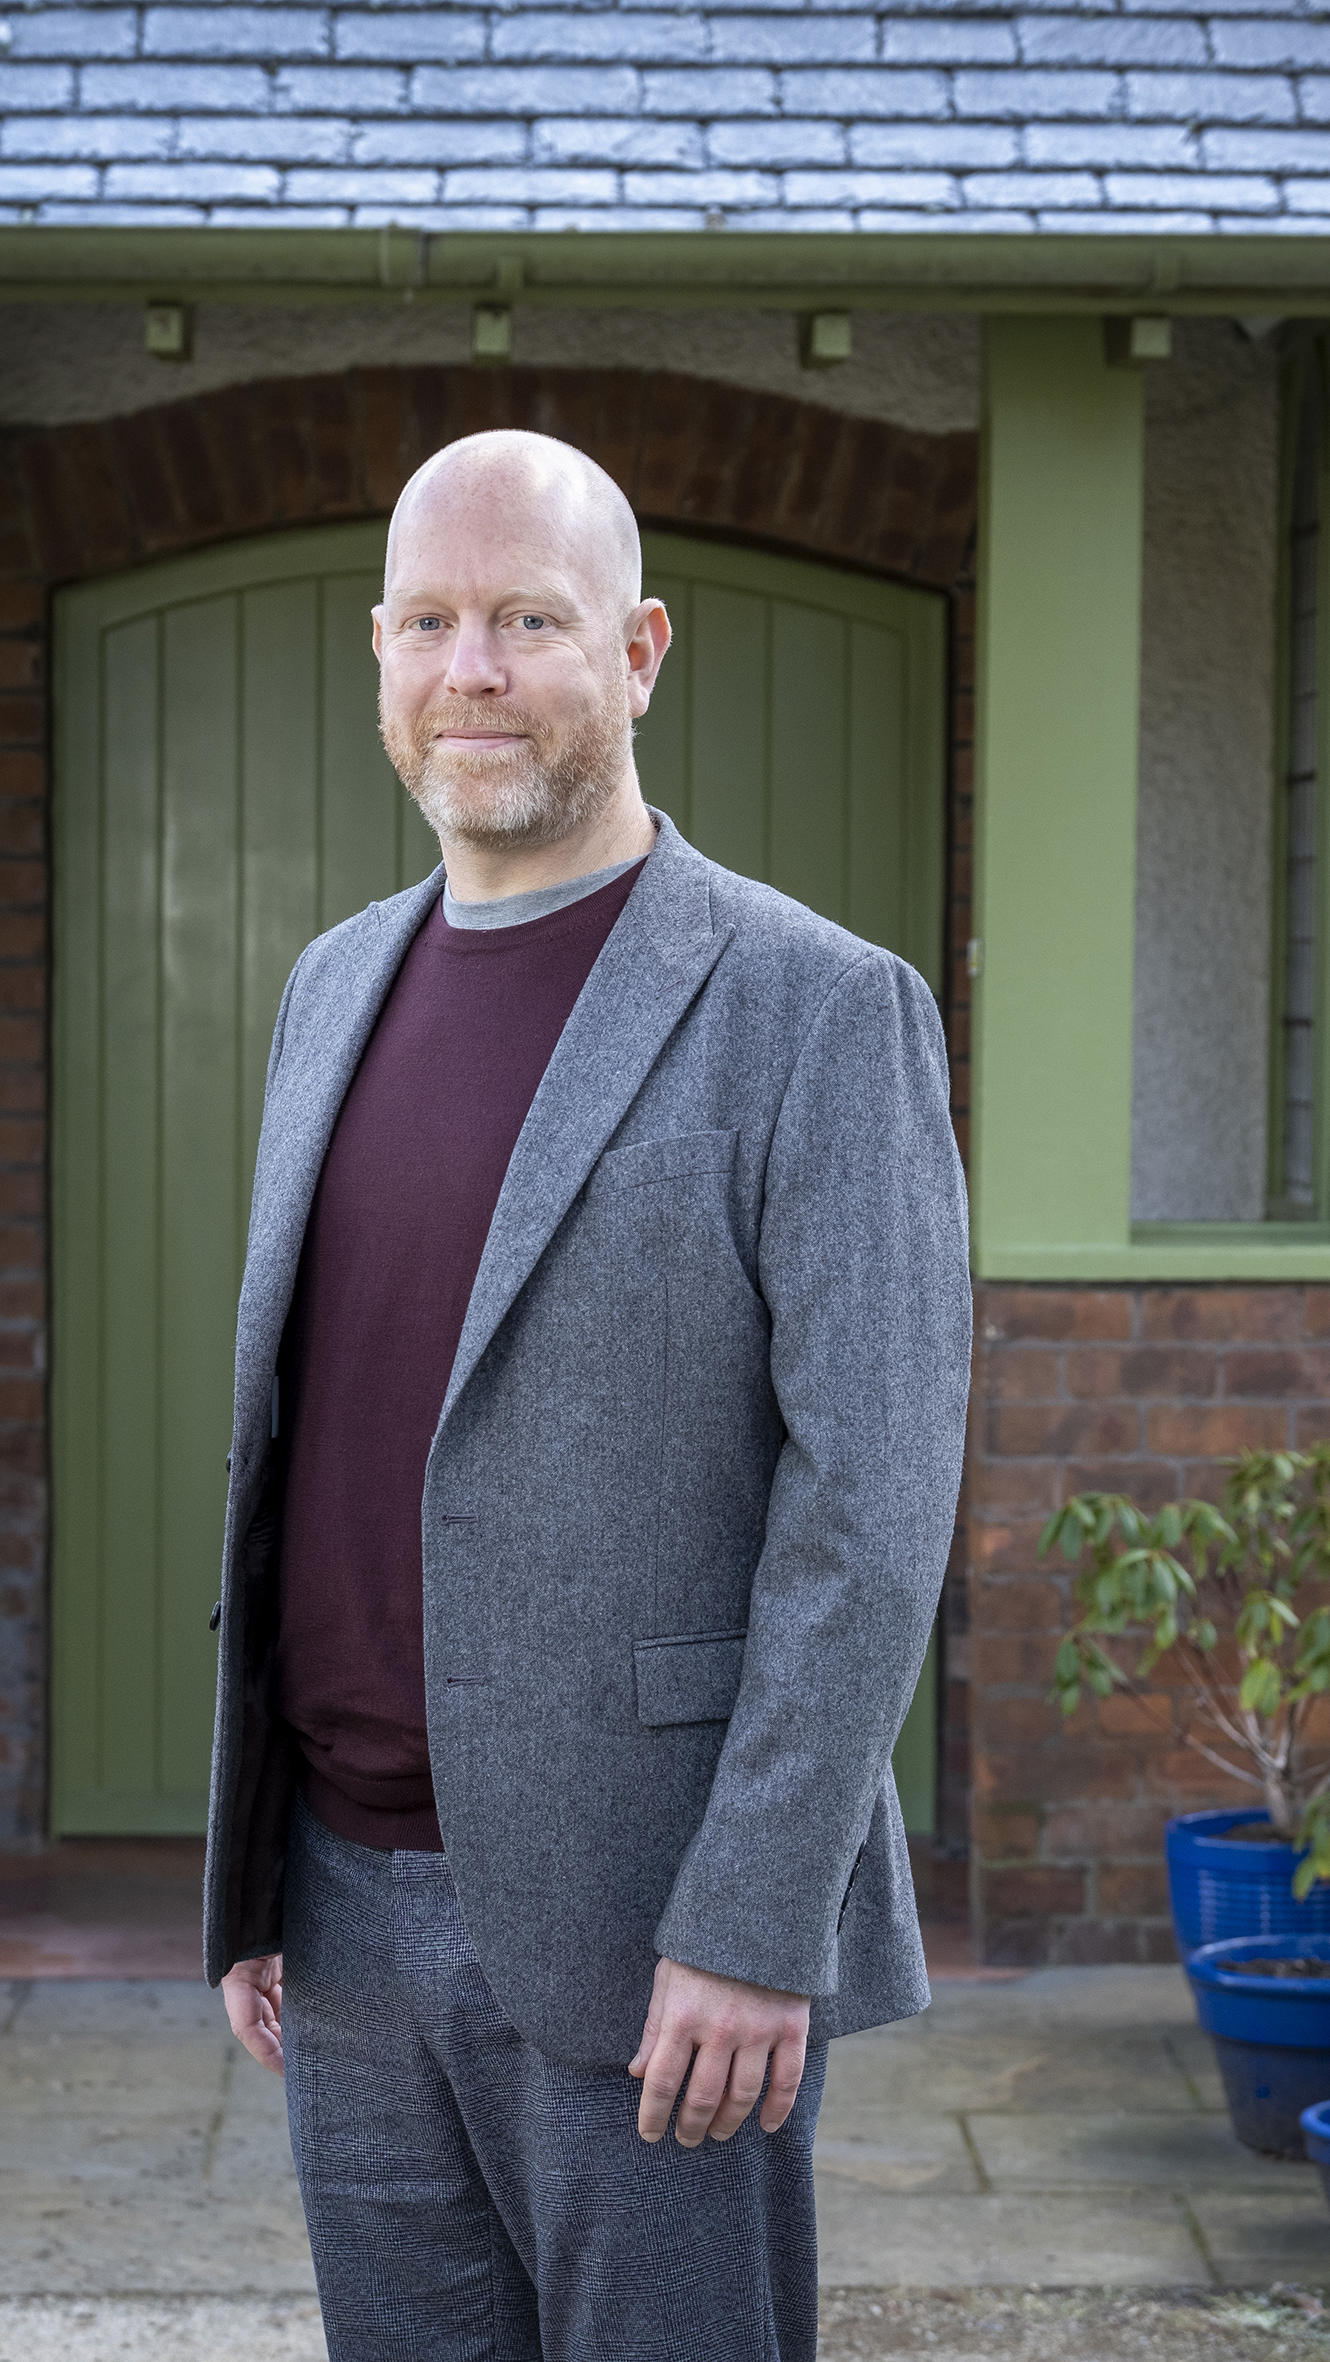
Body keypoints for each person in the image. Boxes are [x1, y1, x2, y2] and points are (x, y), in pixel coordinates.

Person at [203, 428, 971, 2361]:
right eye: (431, 623)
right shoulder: (328, 990)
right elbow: (313, 1442)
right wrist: (258, 1856)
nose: (473, 667)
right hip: (342, 1912)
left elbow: (874, 1499)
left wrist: (753, 1915)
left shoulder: (815, 1006)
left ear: (636, 652)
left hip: (654, 1927)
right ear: (377, 656)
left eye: (528, 620)